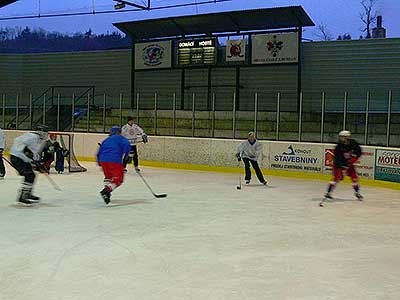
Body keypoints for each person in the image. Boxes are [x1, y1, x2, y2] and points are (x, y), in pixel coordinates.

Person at [10, 125, 48, 205]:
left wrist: (37, 163)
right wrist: (38, 163)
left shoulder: (34, 137)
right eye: (45, 132)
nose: (46, 134)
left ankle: (27, 193)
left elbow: (33, 152)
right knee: (29, 175)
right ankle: (23, 197)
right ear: (40, 132)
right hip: (17, 158)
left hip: (19, 157)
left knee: (31, 175)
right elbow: (33, 151)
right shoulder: (33, 137)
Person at [325, 130, 363, 200]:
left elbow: (359, 151)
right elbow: (337, 159)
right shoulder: (338, 147)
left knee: (354, 178)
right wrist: (341, 168)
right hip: (339, 164)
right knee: (336, 178)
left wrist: (354, 157)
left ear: (347, 137)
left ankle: (357, 192)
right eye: (341, 137)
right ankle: (328, 192)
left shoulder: (353, 143)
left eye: (343, 137)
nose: (341, 139)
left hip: (349, 163)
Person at [97, 126, 131, 204]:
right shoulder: (121, 138)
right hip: (114, 160)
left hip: (103, 160)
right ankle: (106, 191)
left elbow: (100, 151)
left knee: (108, 177)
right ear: (119, 132)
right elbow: (126, 145)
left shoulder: (106, 140)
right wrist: (128, 155)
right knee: (118, 179)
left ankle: (107, 194)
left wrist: (99, 161)